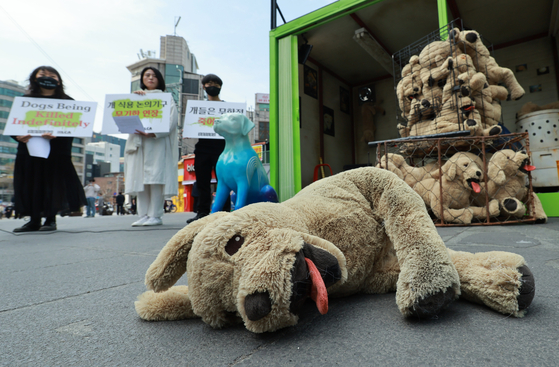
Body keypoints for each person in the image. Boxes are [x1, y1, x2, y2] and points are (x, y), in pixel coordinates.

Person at [12, 66, 87, 232]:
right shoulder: (25, 101)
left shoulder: (68, 103)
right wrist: (18, 136)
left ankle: (50, 219)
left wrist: (57, 135)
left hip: (56, 152)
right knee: (30, 184)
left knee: (52, 185)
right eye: (43, 75)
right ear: (34, 78)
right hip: (29, 151)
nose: (48, 78)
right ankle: (33, 220)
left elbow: (74, 128)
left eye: (52, 75)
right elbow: (14, 125)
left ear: (59, 80)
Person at [124, 67, 178, 226]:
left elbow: (172, 120)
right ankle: (143, 214)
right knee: (139, 178)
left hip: (157, 143)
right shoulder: (135, 97)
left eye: (154, 75)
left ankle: (155, 214)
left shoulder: (166, 98)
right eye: (147, 75)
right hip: (139, 143)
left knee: (155, 179)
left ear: (159, 79)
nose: (151, 78)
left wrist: (154, 133)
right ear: (142, 79)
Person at [186, 74, 230, 224]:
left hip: (222, 149)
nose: (212, 86)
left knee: (223, 181)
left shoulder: (227, 108)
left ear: (220, 87)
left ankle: (224, 212)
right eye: (209, 83)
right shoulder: (198, 108)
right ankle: (202, 212)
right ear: (203, 87)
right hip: (202, 149)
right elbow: (192, 126)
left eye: (216, 84)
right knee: (202, 182)